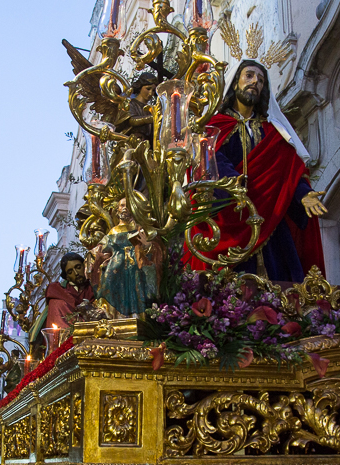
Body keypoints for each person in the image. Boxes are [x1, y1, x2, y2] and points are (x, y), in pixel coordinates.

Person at [189, 60, 326, 283]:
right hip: (230, 217)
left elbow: (287, 170)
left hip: (269, 219)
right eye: (249, 76)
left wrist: (303, 194)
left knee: (280, 283)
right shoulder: (215, 125)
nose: (255, 82)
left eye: (260, 80)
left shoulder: (272, 131)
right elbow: (209, 159)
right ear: (235, 84)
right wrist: (232, 182)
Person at [91, 198, 161, 316]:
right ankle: (114, 316)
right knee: (109, 280)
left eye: (128, 206)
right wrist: (95, 255)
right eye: (122, 205)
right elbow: (103, 247)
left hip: (136, 264)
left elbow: (153, 247)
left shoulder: (139, 228)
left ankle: (139, 317)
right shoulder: (113, 231)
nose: (124, 208)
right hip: (116, 266)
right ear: (117, 209)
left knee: (137, 288)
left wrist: (146, 246)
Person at [32, 253, 95, 338]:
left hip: (94, 334)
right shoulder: (59, 292)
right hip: (69, 339)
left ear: (84, 266)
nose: (76, 273)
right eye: (70, 272)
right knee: (56, 303)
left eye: (78, 267)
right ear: (67, 277)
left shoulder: (95, 288)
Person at [118, 72, 158, 141]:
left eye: (153, 91)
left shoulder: (151, 110)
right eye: (148, 89)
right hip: (130, 142)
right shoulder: (131, 103)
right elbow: (131, 120)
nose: (151, 93)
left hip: (146, 145)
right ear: (140, 87)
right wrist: (151, 118)